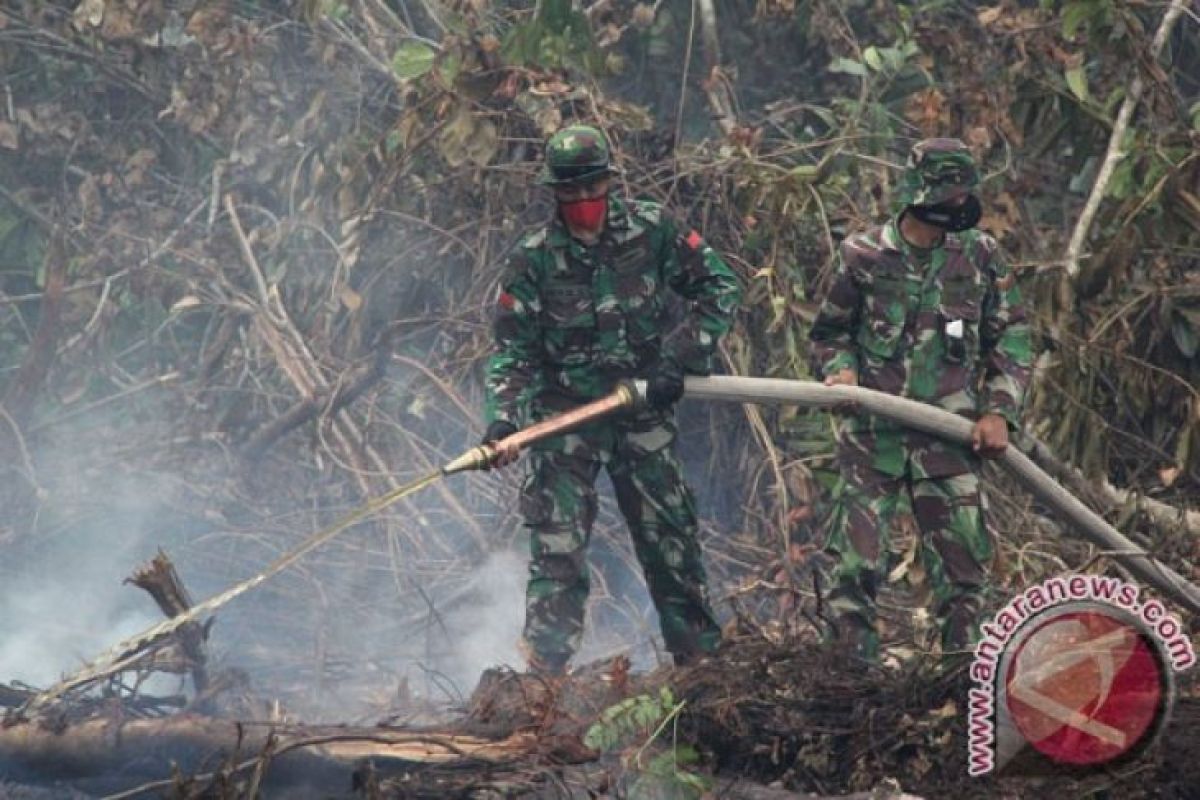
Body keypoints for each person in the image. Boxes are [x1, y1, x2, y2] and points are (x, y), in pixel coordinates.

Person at [482, 124, 742, 674]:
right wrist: (502, 423)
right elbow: (512, 353)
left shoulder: (651, 231)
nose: (583, 203)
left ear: (609, 182)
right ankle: (543, 684)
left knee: (670, 540)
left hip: (640, 411)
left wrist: (680, 359)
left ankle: (702, 672)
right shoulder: (533, 261)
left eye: (592, 188)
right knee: (557, 551)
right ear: (554, 192)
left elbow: (720, 287)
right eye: (570, 192)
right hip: (565, 420)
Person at [808, 138, 1033, 659]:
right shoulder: (863, 256)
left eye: (961, 196)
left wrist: (999, 411)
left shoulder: (980, 257)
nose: (956, 207)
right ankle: (846, 683)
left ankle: (961, 686)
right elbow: (828, 334)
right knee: (855, 568)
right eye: (946, 196)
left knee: (963, 574)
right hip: (873, 438)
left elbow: (1014, 338)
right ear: (918, 193)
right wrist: (840, 373)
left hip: (948, 437)